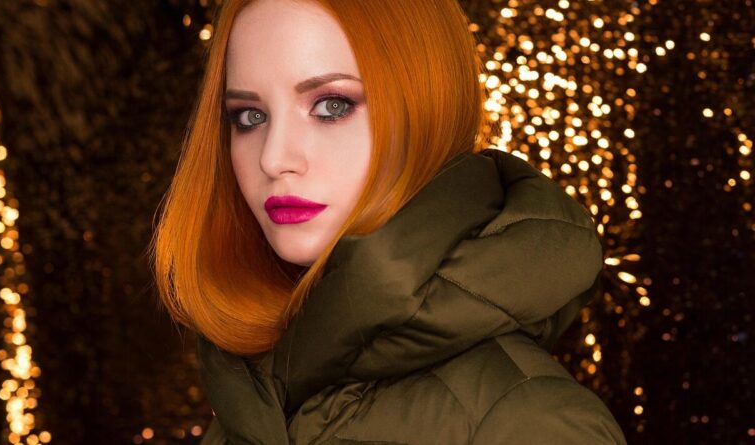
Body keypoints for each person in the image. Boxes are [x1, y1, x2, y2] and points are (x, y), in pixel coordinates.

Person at [148, 0, 628, 443]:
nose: (273, 158)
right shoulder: (251, 391)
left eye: (332, 106)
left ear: (429, 109)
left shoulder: (533, 423)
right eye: (250, 116)